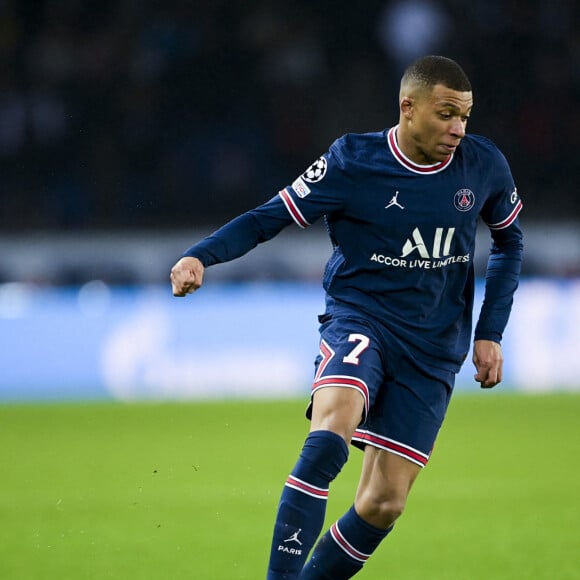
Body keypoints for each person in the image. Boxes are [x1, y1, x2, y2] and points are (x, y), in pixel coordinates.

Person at [170, 55, 523, 579]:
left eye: (466, 117)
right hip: (363, 320)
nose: (458, 129)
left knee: (383, 503)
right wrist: (202, 255)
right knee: (330, 431)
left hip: (434, 346)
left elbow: (509, 242)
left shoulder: (484, 165)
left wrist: (489, 331)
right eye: (447, 113)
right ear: (408, 107)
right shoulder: (353, 161)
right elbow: (269, 217)